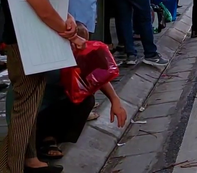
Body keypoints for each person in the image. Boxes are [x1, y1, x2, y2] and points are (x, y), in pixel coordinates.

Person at [0, 0, 86, 173]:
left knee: (27, 106)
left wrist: (68, 17)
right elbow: (44, 9)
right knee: (25, 110)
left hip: (24, 42)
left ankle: (29, 159)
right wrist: (70, 33)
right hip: (25, 44)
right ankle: (11, 167)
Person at [5, 25, 127, 161]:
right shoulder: (51, 62)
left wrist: (115, 100)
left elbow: (97, 77)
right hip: (31, 116)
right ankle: (44, 140)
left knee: (87, 100)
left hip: (48, 111)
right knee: (81, 99)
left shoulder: (75, 59)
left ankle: (51, 138)